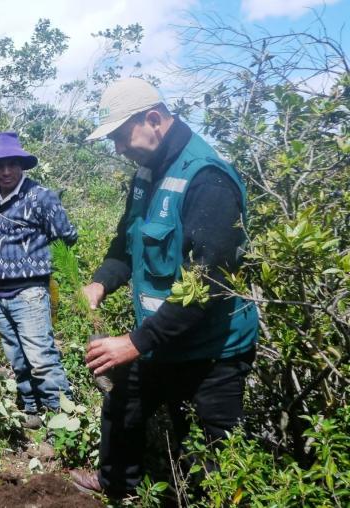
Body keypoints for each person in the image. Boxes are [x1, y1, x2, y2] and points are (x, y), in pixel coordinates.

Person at [70, 78, 258, 495]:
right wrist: (100, 283)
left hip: (213, 349)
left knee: (217, 457)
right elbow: (127, 241)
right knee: (123, 403)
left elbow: (207, 282)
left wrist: (136, 342)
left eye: (120, 137)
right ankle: (116, 486)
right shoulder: (147, 171)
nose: (118, 149)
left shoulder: (208, 179)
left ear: (153, 120)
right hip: (159, 337)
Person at [0, 132, 77, 429]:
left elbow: (67, 236)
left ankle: (63, 423)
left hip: (31, 292)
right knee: (17, 358)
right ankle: (32, 411)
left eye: (12, 164)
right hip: (0, 292)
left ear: (22, 165)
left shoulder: (41, 197)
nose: (6, 171)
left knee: (41, 358)